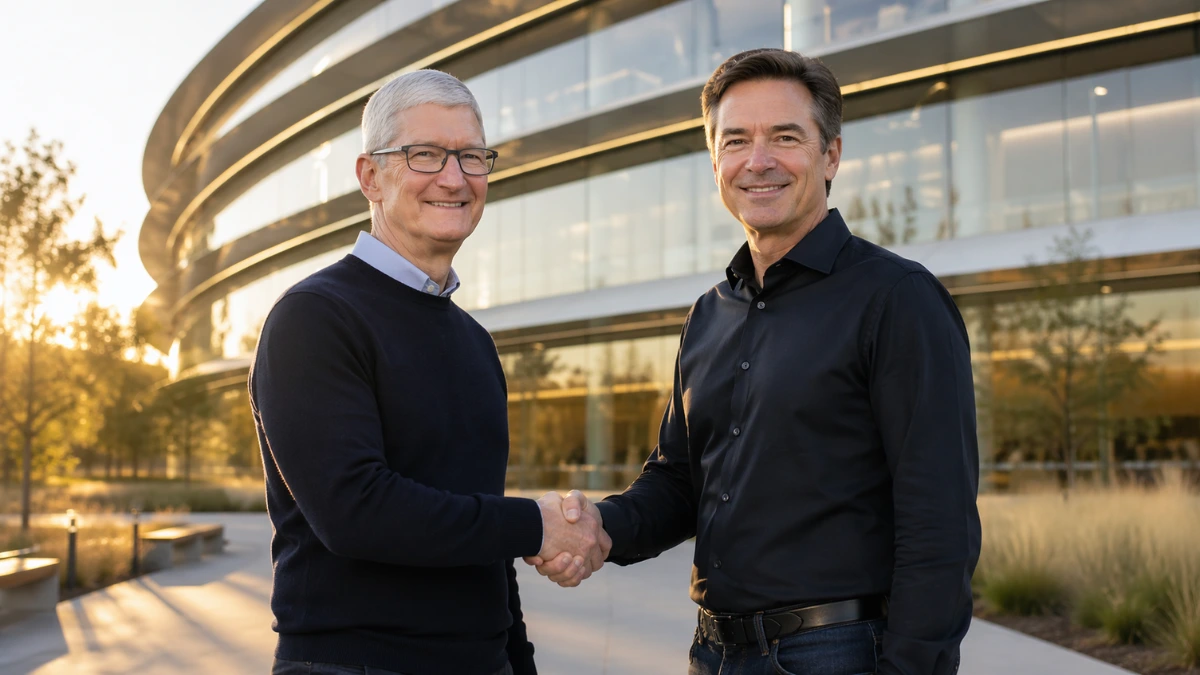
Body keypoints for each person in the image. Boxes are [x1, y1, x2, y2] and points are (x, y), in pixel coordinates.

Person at [528, 48, 981, 675]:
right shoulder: (709, 314)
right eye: (735, 140)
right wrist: (597, 528)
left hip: (839, 653)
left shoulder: (897, 300)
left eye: (785, 137)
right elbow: (680, 482)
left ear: (831, 156)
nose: (757, 161)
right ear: (715, 161)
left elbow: (939, 520)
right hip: (713, 654)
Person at [250, 69, 608, 675]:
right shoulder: (313, 318)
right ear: (371, 176)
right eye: (425, 155)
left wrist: (517, 661)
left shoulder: (474, 341)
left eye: (471, 157)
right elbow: (355, 511)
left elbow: (482, 538)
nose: (454, 177)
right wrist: (535, 525)